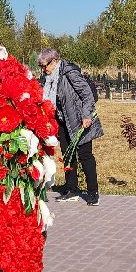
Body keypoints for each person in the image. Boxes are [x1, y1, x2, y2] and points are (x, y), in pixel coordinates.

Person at [38, 48, 104, 205]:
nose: (43, 69)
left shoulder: (69, 73)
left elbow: (87, 94)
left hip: (79, 120)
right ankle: (72, 190)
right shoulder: (48, 78)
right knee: (68, 156)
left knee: (85, 156)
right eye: (41, 66)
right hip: (63, 121)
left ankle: (93, 192)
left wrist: (86, 115)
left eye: (45, 65)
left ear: (54, 61)